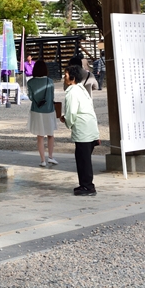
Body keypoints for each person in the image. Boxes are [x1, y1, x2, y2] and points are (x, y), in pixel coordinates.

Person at [63, 64, 100, 196]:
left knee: (83, 160)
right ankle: (85, 184)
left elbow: (72, 112)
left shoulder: (72, 92)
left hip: (83, 129)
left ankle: (88, 186)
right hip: (90, 128)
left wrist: (66, 121)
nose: (64, 78)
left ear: (72, 78)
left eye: (66, 75)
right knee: (84, 159)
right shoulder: (82, 89)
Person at [26, 59, 57, 167]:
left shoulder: (30, 82)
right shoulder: (50, 81)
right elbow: (52, 96)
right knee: (50, 134)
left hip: (36, 110)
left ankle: (42, 160)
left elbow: (30, 97)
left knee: (40, 136)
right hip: (49, 110)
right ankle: (51, 157)